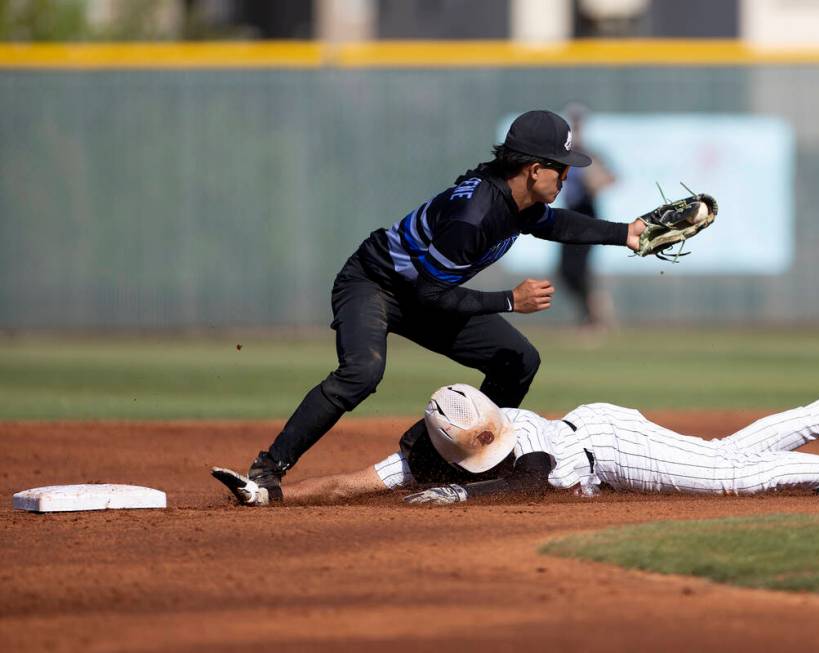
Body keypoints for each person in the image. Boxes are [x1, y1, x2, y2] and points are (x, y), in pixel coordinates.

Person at [243, 110, 653, 501]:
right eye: (561, 167)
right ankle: (269, 466)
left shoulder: (515, 199)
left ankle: (441, 459)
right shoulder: (474, 216)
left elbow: (556, 223)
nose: (567, 175)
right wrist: (510, 300)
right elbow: (429, 295)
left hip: (427, 291)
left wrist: (627, 234)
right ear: (533, 169)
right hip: (374, 284)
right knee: (362, 372)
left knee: (517, 359)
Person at [212, 370, 819, 506]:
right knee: (731, 457)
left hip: (604, 444)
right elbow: (356, 482)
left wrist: (439, 501)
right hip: (604, 430)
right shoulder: (426, 447)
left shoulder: (524, 451)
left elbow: (519, 485)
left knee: (735, 477)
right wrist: (274, 493)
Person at [556, 103, 617, 329]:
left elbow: (609, 179)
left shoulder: (589, 155)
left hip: (586, 213)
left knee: (578, 269)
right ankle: (594, 310)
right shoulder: (564, 153)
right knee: (566, 271)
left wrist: (593, 180)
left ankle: (594, 318)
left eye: (578, 123)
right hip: (568, 214)